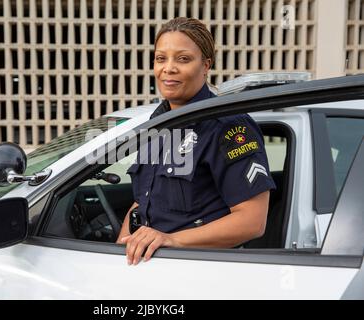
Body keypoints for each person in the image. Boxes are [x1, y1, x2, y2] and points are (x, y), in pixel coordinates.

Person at [116, 17, 276, 265]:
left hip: (199, 269)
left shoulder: (228, 127)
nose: (168, 68)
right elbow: (142, 201)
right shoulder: (157, 123)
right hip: (151, 268)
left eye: (183, 59)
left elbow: (252, 221)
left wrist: (172, 240)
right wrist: (118, 253)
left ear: (205, 65)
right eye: (161, 58)